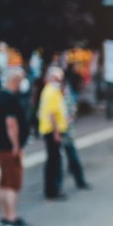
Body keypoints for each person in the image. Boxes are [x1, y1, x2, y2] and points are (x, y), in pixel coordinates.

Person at [0, 68, 31, 226]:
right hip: (8, 147)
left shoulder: (2, 96)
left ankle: (5, 216)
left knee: (4, 181)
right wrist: (16, 146)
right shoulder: (9, 99)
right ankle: (11, 218)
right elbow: (11, 124)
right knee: (12, 182)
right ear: (14, 80)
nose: (22, 83)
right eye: (20, 80)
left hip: (0, 145)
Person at [39, 67, 88, 199]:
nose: (59, 81)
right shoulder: (51, 92)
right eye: (56, 78)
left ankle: (55, 189)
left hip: (59, 130)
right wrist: (56, 132)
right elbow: (52, 114)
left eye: (60, 78)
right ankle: (53, 190)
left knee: (55, 160)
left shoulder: (54, 91)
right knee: (54, 162)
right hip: (53, 131)